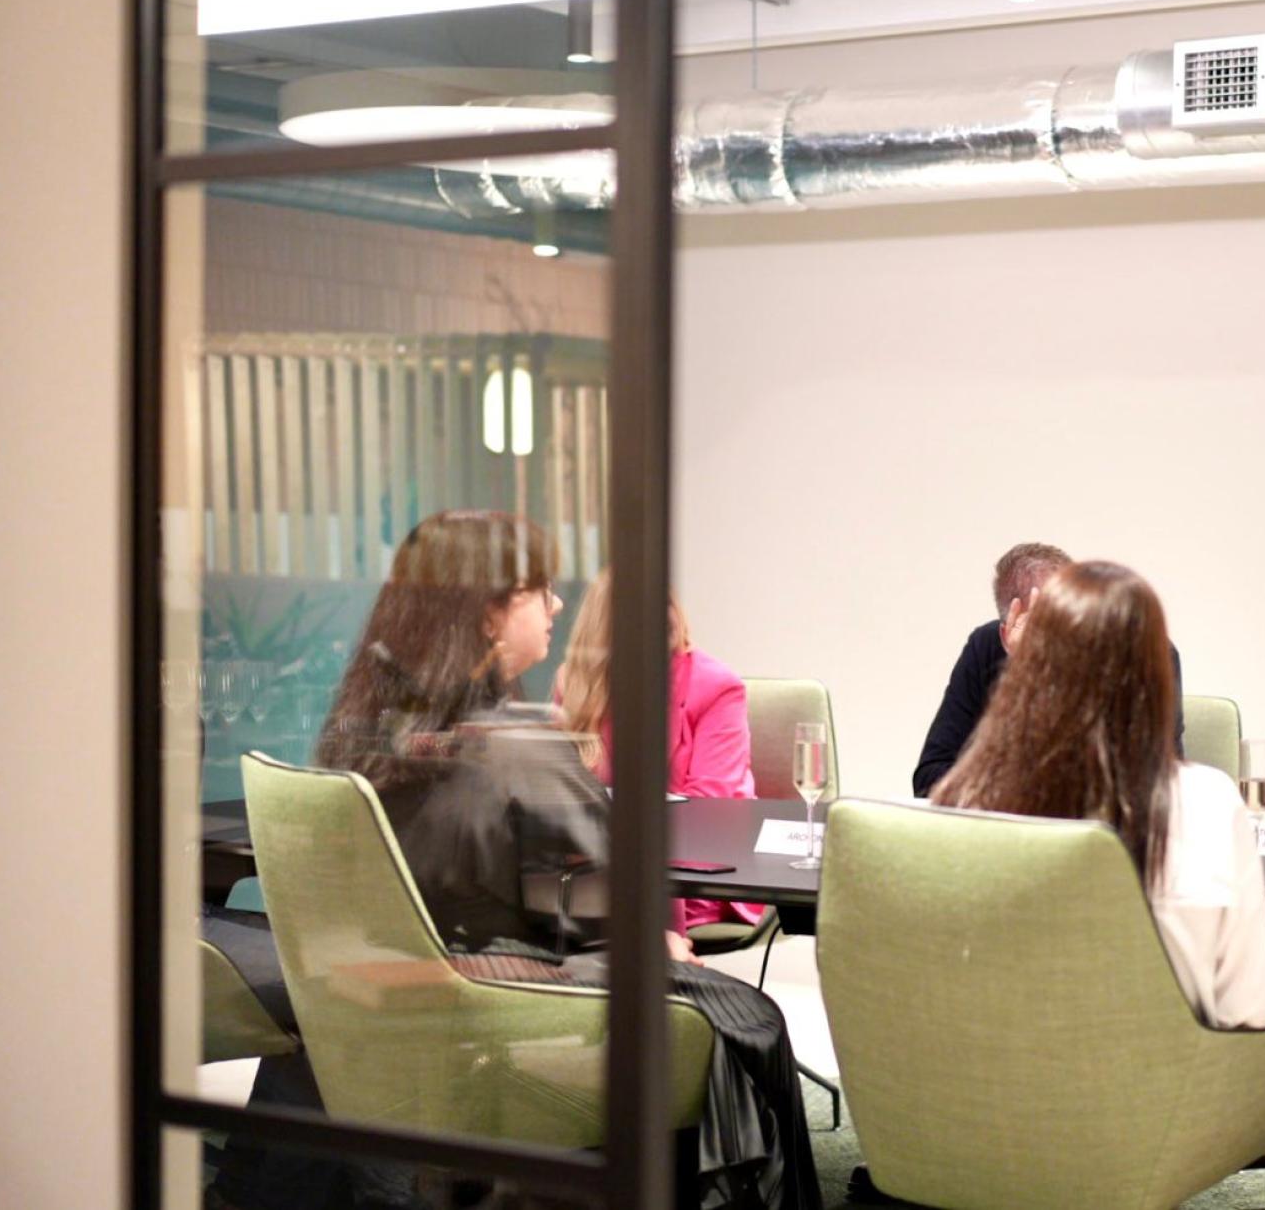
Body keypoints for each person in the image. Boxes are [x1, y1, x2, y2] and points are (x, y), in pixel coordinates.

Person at [295, 511, 818, 1210]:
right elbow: (608, 886)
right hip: (492, 991)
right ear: (487, 614)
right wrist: (652, 939)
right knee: (753, 1020)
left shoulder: (369, 726)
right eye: (539, 589)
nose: (557, 604)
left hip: (396, 985)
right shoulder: (508, 747)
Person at [931, 559, 1265, 1027]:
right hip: (1166, 1091)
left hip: (1001, 1084)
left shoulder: (972, 800)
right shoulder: (1208, 802)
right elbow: (1248, 1012)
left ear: (1032, 671)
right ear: (1156, 674)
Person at [557, 569, 766, 936]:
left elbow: (711, 806)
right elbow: (559, 790)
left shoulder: (716, 686)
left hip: (690, 868)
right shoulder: (577, 682)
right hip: (599, 862)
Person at [912, 542, 1185, 797]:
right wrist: (1025, 672)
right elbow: (930, 780)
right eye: (1052, 624)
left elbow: (1147, 788)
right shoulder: (986, 647)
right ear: (1009, 632)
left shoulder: (1144, 653)